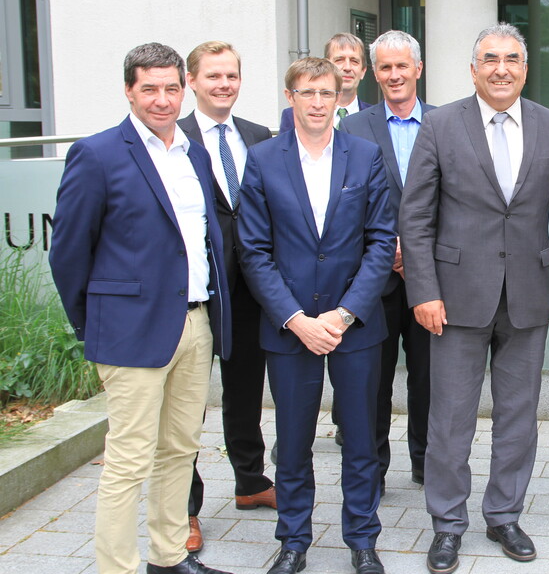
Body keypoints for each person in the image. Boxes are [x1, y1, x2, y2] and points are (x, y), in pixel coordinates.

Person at [399, 23, 549, 574]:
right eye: (490, 59)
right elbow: (415, 218)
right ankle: (447, 524)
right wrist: (424, 291)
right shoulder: (439, 125)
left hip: (529, 295)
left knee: (518, 417)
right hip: (455, 300)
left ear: (525, 69)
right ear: (473, 68)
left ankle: (504, 514)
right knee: (450, 420)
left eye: (511, 59)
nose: (501, 68)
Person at [50, 42, 233, 574]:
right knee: (128, 460)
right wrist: (94, 324)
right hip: (130, 331)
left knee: (180, 450)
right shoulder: (98, 153)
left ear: (185, 89)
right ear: (129, 91)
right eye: (149, 88)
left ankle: (169, 557)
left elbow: (199, 241)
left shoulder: (194, 153)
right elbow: (68, 252)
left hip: (195, 322)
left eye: (171, 88)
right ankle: (118, 567)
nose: (162, 99)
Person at [239, 58, 396, 574]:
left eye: (325, 93)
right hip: (290, 330)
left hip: (353, 327)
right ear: (291, 97)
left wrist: (345, 314)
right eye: (306, 92)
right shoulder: (262, 160)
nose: (316, 102)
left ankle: (362, 539)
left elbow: (380, 244)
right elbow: (254, 252)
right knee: (294, 442)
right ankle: (293, 542)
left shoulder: (366, 155)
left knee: (360, 440)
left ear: (338, 96)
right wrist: (296, 318)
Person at [178, 41, 275, 554]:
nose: (223, 84)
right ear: (192, 81)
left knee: (245, 392)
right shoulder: (174, 136)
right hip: (196, 289)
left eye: (231, 76)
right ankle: (185, 510)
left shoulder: (258, 137)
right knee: (186, 406)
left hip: (251, 290)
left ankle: (251, 482)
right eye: (213, 76)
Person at [341, 30, 434, 493]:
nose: (394, 75)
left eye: (402, 66)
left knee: (430, 379)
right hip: (373, 277)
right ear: (373, 73)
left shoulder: (449, 122)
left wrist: (415, 249)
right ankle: (372, 468)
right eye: (385, 67)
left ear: (418, 69)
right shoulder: (354, 128)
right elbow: (345, 202)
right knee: (371, 382)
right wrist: (387, 248)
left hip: (432, 277)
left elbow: (457, 200)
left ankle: (426, 463)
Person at [280, 33, 372, 133]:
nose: (347, 67)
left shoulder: (376, 117)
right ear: (326, 66)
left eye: (354, 61)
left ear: (363, 71)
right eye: (339, 60)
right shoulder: (292, 115)